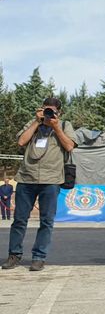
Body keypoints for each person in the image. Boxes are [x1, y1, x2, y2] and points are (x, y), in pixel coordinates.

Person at [2, 98, 77, 271]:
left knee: (46, 221)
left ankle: (39, 257)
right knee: (19, 220)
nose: (48, 114)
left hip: (51, 180)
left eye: (51, 111)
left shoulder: (65, 125)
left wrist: (55, 126)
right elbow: (21, 142)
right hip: (27, 178)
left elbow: (69, 146)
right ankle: (14, 255)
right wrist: (37, 121)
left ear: (59, 112)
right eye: (45, 110)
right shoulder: (33, 122)